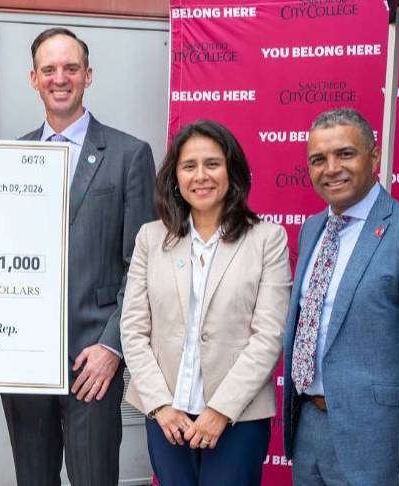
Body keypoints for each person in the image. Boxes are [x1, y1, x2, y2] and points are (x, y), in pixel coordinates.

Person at [0, 27, 156, 485]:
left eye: (70, 68)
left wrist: (112, 348)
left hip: (92, 363)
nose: (59, 78)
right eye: (49, 69)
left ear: (88, 75)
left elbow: (140, 269)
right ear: (33, 78)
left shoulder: (129, 156)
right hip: (25, 365)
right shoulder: (10, 159)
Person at [282, 108, 399, 484]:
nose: (331, 168)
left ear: (375, 156)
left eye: (345, 154)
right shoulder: (312, 229)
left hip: (379, 437)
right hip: (309, 429)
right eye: (318, 159)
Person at [119, 120, 289, 485]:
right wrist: (161, 406)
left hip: (238, 419)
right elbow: (133, 329)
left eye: (212, 164)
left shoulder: (267, 239)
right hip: (167, 419)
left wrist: (220, 410)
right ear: (175, 177)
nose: (201, 176)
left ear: (232, 172)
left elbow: (268, 337)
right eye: (189, 166)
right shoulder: (151, 238)